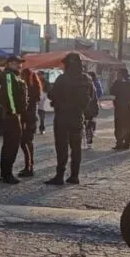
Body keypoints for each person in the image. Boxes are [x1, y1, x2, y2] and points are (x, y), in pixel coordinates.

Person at [46, 53, 94, 185]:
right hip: (78, 116)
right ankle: (74, 176)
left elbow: (51, 95)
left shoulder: (63, 78)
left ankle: (59, 176)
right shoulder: (86, 79)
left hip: (62, 117)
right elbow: (92, 96)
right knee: (76, 148)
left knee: (62, 147)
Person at [0, 56, 28, 184]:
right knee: (11, 145)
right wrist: (13, 112)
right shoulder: (8, 76)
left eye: (20, 63)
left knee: (9, 145)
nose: (20, 65)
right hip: (11, 116)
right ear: (10, 63)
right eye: (17, 63)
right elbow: (9, 95)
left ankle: (5, 173)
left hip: (12, 115)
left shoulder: (14, 76)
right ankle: (7, 174)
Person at [19, 68, 43, 177]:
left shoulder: (28, 88)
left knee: (25, 142)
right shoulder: (35, 87)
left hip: (28, 118)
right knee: (28, 142)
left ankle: (29, 167)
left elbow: (25, 106)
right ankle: (29, 166)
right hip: (32, 117)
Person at [111, 68, 130, 150]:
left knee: (119, 126)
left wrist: (117, 81)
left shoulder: (119, 82)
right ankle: (126, 144)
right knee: (126, 126)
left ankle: (120, 143)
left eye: (118, 74)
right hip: (128, 107)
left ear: (121, 74)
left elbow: (112, 91)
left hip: (120, 107)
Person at [84, 71, 102, 149]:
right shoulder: (92, 87)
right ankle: (89, 141)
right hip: (91, 109)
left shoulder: (87, 88)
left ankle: (89, 141)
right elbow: (95, 100)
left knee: (87, 125)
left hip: (87, 110)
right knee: (89, 125)